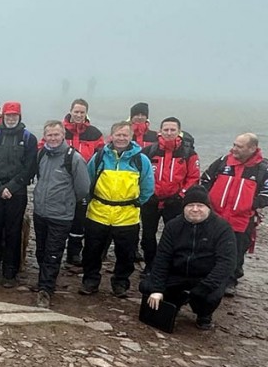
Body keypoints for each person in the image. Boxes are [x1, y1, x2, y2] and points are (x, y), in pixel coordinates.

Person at [140, 186, 236, 330]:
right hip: (177, 274)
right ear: (184, 207)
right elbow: (162, 258)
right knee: (146, 287)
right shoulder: (173, 226)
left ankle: (204, 314)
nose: (195, 209)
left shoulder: (222, 228)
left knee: (209, 296)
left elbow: (226, 263)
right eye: (190, 205)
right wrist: (157, 289)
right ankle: (175, 300)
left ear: (208, 207)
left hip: (204, 277)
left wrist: (204, 287)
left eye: (200, 205)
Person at [81, 121, 155, 297]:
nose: (121, 138)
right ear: (111, 136)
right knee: (92, 250)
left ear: (131, 137)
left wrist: (135, 203)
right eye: (118, 135)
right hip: (99, 212)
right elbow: (88, 181)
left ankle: (121, 282)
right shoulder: (99, 157)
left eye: (125, 135)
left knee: (126, 253)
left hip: (127, 215)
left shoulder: (141, 160)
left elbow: (147, 187)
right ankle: (90, 280)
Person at [199, 132, 268, 295]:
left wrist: (250, 205)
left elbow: (267, 192)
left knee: (236, 250)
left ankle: (230, 281)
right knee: (209, 245)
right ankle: (208, 276)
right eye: (234, 144)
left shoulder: (263, 169)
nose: (234, 149)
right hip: (216, 215)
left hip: (242, 218)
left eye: (239, 146)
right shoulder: (223, 162)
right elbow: (206, 179)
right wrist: (207, 200)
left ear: (252, 148)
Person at [32, 120, 90, 308]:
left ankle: (46, 290)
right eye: (49, 135)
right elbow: (40, 178)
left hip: (61, 215)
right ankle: (44, 280)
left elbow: (83, 188)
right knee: (40, 250)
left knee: (53, 253)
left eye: (56, 134)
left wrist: (65, 201)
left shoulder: (74, 158)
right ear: (44, 136)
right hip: (41, 211)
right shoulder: (42, 154)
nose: (53, 138)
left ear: (63, 135)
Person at [0, 101, 38, 287]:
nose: (11, 118)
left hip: (17, 193)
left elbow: (29, 168)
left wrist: (11, 187)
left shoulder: (29, 138)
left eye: (14, 115)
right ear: (2, 116)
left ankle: (10, 272)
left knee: (13, 232)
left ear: (19, 116)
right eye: (8, 115)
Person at [140, 117, 200, 274]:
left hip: (174, 202)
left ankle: (170, 266)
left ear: (179, 132)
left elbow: (193, 178)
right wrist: (147, 193)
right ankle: (150, 265)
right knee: (147, 236)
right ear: (160, 131)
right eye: (166, 129)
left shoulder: (189, 154)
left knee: (174, 236)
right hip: (151, 201)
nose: (169, 133)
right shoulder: (149, 151)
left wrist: (181, 195)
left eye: (173, 130)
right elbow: (140, 174)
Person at [62, 98, 104, 266]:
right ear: (70, 111)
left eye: (82, 112)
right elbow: (44, 148)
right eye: (76, 111)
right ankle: (55, 250)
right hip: (62, 182)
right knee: (60, 217)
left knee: (79, 220)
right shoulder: (60, 130)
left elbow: (101, 159)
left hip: (84, 183)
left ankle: (74, 253)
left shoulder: (94, 134)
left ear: (86, 113)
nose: (79, 115)